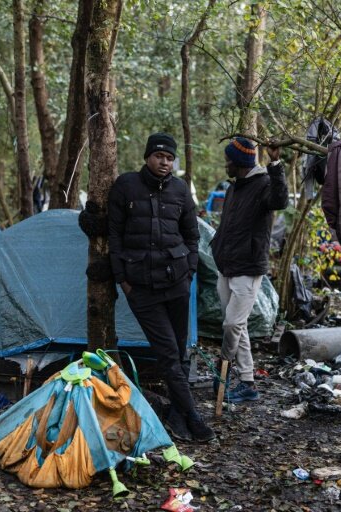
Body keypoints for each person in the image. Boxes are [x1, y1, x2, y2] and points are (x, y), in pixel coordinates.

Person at [108, 132, 216, 443]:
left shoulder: (181, 190)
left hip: (177, 284)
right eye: (159, 157)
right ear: (147, 157)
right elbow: (114, 237)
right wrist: (123, 281)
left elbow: (192, 236)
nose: (164, 162)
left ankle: (177, 415)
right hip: (141, 288)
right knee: (169, 353)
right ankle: (194, 418)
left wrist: (190, 271)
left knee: (179, 352)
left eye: (169, 158)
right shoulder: (126, 186)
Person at [211, 137, 288, 403]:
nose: (226, 164)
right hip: (227, 265)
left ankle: (224, 365)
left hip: (248, 267)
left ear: (240, 163)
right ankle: (247, 383)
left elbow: (280, 200)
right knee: (237, 326)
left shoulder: (264, 183)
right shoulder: (234, 188)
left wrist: (276, 163)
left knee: (232, 323)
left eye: (229, 160)